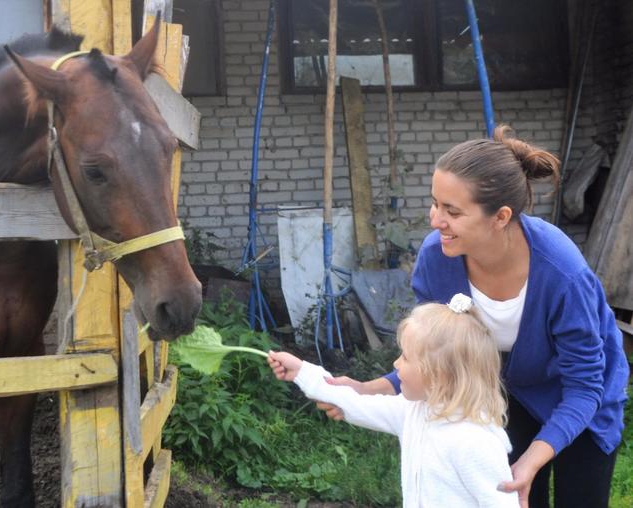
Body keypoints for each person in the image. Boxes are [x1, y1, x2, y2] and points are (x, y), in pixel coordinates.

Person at [303, 125, 629, 508]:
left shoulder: (563, 274)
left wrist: (530, 461)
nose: (435, 220)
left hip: (581, 396)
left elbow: (584, 386)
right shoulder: (437, 259)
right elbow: (434, 354)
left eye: (452, 211)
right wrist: (365, 390)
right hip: (507, 391)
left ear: (500, 217)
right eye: (435, 204)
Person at [268, 295, 520, 508]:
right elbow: (356, 402)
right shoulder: (414, 411)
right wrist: (302, 371)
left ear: (439, 374)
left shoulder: (475, 442)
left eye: (406, 357)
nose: (396, 363)